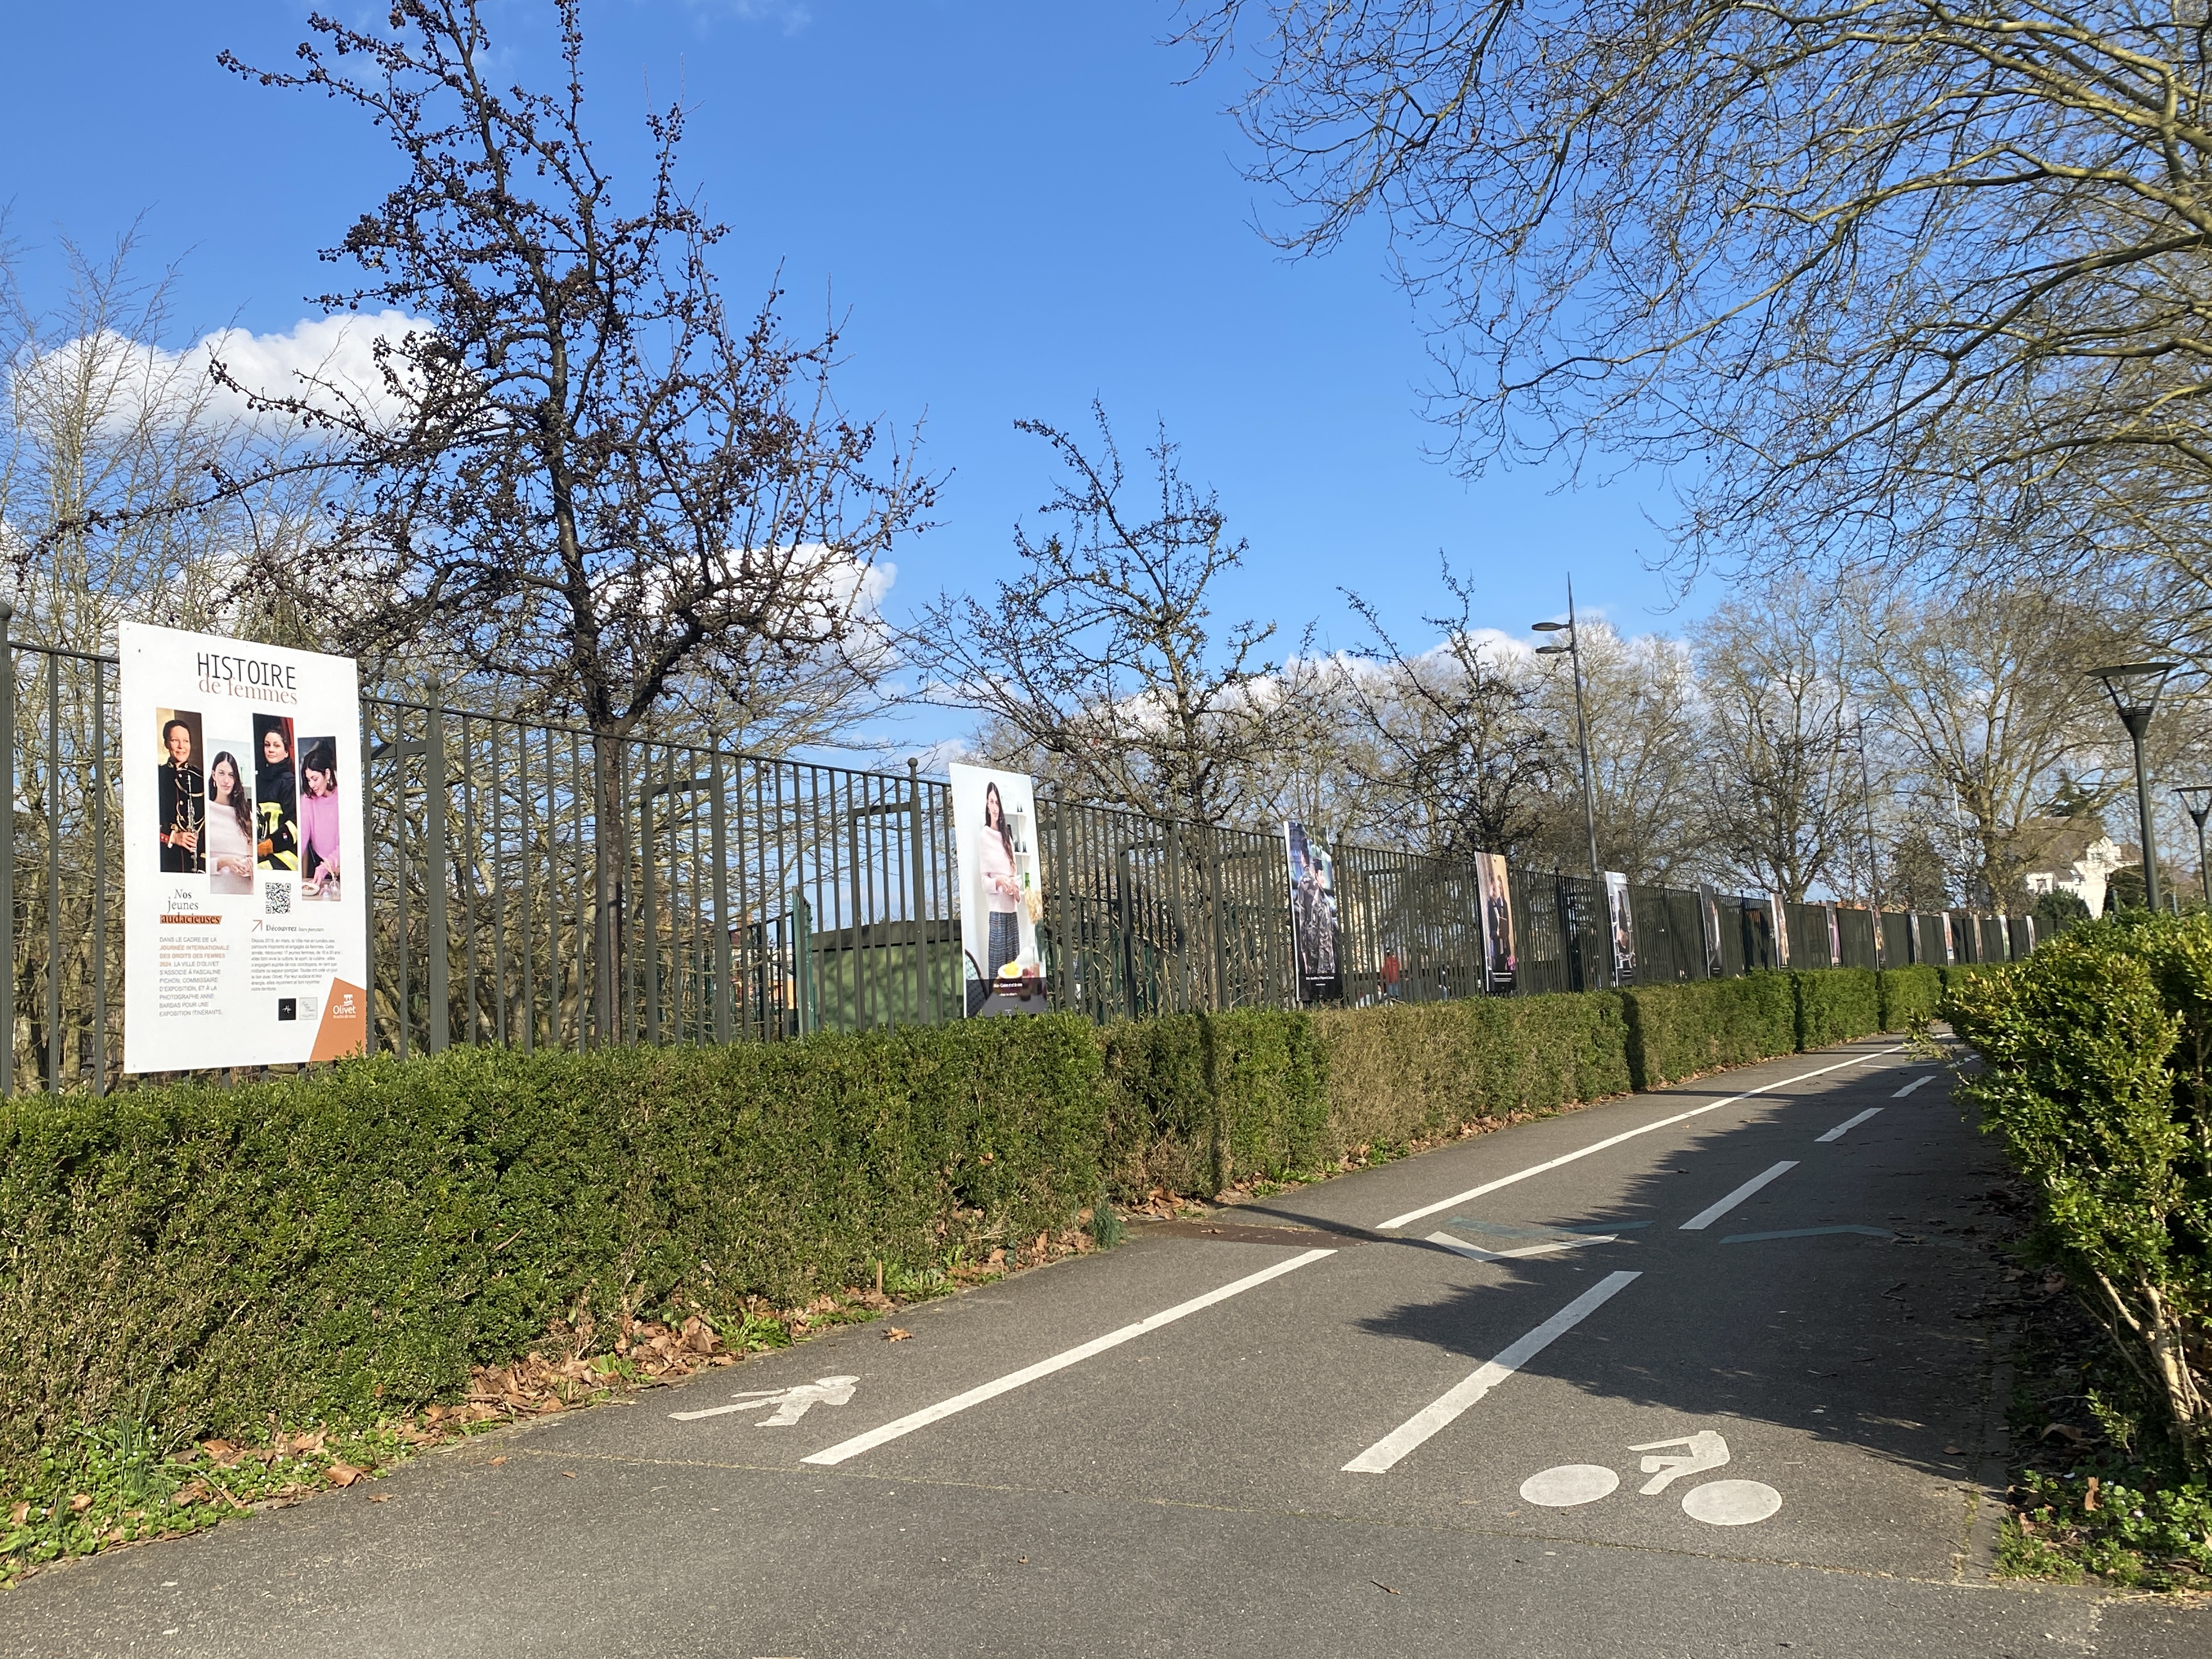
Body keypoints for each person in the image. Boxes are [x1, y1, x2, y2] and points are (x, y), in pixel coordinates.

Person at [976, 780, 1022, 980]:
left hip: (1012, 911)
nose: (994, 807)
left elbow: (1015, 874)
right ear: (987, 805)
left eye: (997, 803)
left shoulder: (1007, 838)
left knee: (1014, 969)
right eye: (991, 802)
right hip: (997, 912)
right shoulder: (985, 836)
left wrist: (1015, 889)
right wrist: (1000, 882)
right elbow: (985, 882)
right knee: (998, 971)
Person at [156, 718, 204, 874]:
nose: (181, 746)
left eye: (186, 741)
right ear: (166, 744)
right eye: (175, 740)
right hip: (168, 863)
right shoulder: (156, 776)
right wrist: (172, 838)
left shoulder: (202, 779)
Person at [204, 750, 255, 894]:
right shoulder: (205, 811)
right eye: (222, 773)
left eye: (231, 775)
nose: (226, 781)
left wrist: (252, 866)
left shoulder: (246, 814)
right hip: (215, 893)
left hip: (244, 893)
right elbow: (197, 865)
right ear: (213, 775)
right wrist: (223, 862)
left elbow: (254, 855)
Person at [297, 740, 340, 899]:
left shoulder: (342, 798)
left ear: (327, 774)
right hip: (317, 864)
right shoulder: (307, 800)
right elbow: (302, 838)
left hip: (342, 865)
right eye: (308, 780)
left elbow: (346, 844)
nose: (312, 785)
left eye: (315, 779)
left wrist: (326, 867)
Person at [255, 721, 299, 875]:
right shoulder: (259, 780)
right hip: (259, 852)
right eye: (267, 745)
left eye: (276, 746)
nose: (271, 750)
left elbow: (296, 823)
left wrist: (269, 845)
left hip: (284, 855)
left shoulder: (289, 782)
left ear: (286, 752)